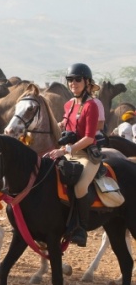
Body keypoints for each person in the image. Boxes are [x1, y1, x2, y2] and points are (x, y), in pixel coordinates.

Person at [47, 63, 101, 247]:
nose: (73, 83)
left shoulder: (91, 106)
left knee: (79, 187)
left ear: (87, 82)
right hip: (70, 153)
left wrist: (64, 150)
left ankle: (81, 228)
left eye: (78, 79)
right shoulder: (69, 104)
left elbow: (89, 137)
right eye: (70, 80)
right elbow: (65, 122)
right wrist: (56, 126)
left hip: (86, 155)